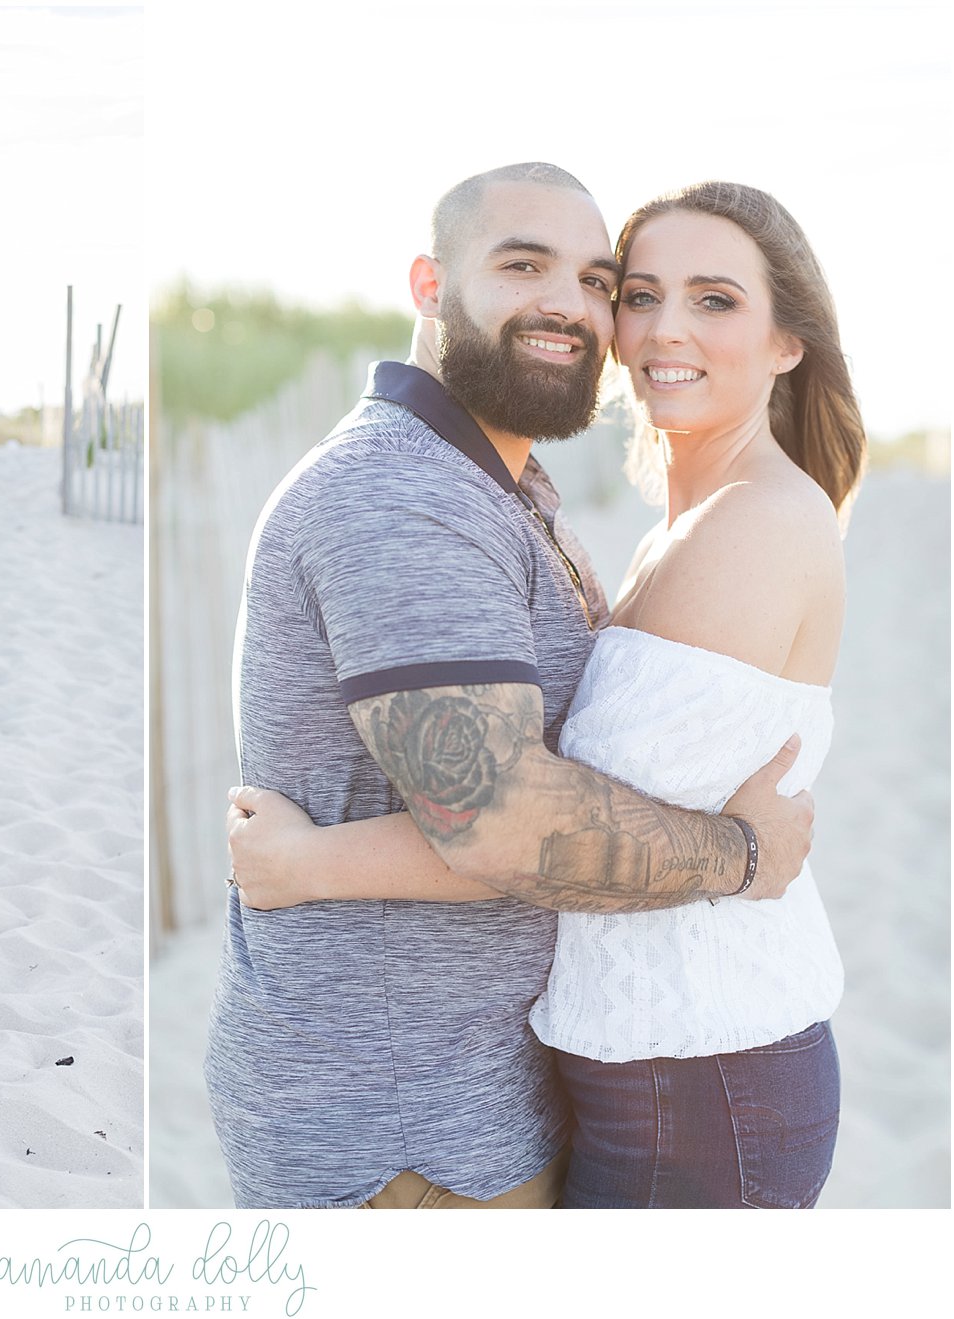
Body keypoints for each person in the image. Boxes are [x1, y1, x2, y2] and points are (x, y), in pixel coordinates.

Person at [226, 180, 865, 1208]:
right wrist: (739, 853)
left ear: (789, 341)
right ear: (430, 286)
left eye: (712, 299)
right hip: (426, 1118)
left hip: (689, 1076)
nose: (640, 321)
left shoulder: (728, 523)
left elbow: (527, 820)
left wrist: (305, 861)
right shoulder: (421, 493)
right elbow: (515, 818)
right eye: (641, 292)